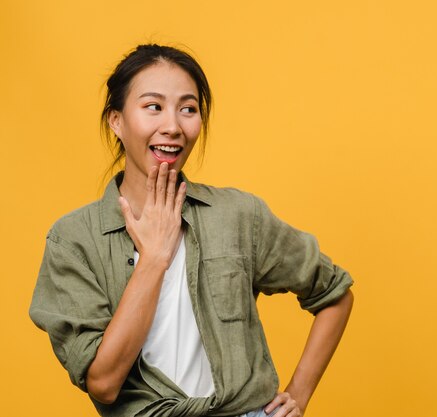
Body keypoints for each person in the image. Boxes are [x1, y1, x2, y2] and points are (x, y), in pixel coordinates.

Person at [29, 44, 354, 417]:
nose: (173, 126)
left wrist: (299, 394)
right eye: (153, 106)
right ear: (115, 121)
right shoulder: (73, 241)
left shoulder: (237, 215)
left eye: (188, 109)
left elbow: (334, 293)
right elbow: (103, 383)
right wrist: (153, 258)